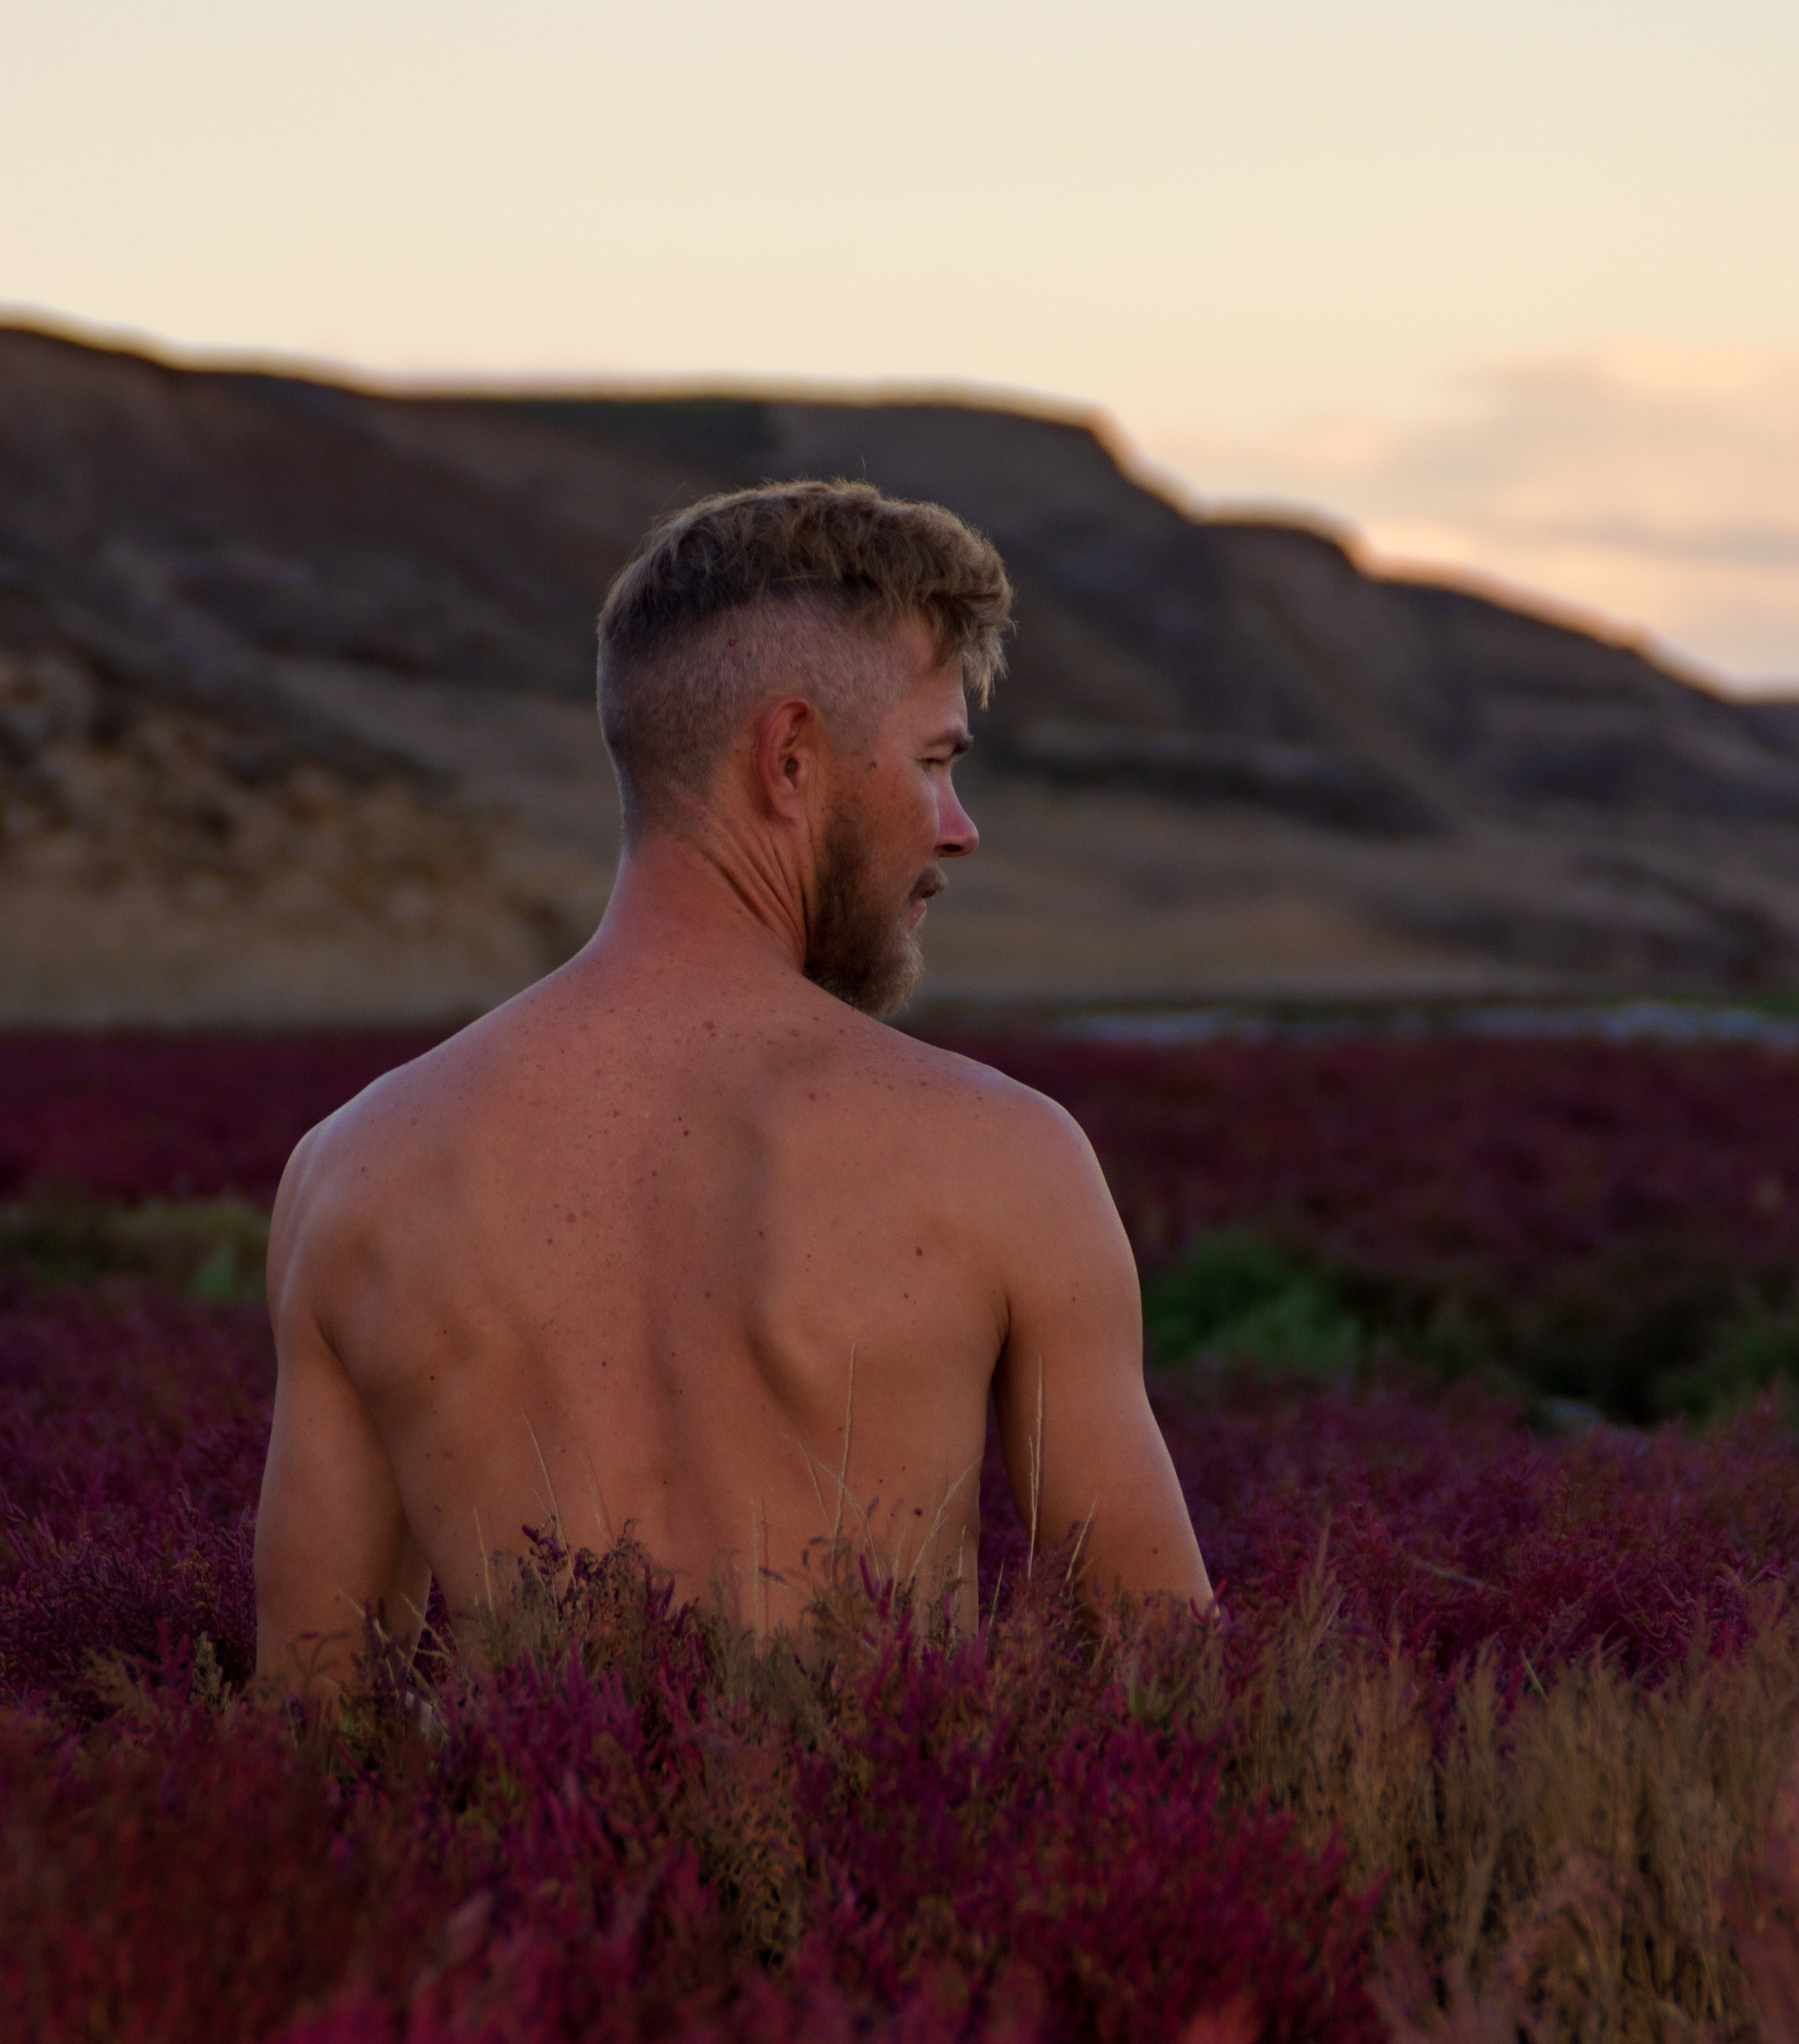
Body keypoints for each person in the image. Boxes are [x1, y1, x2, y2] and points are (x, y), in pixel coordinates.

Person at [255, 479, 1211, 1698]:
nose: (959, 827)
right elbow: (1173, 1681)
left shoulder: (354, 1171)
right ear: (792, 759)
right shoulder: (1002, 1160)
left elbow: (318, 1726)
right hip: (899, 1885)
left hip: (518, 1886)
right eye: (932, 762)